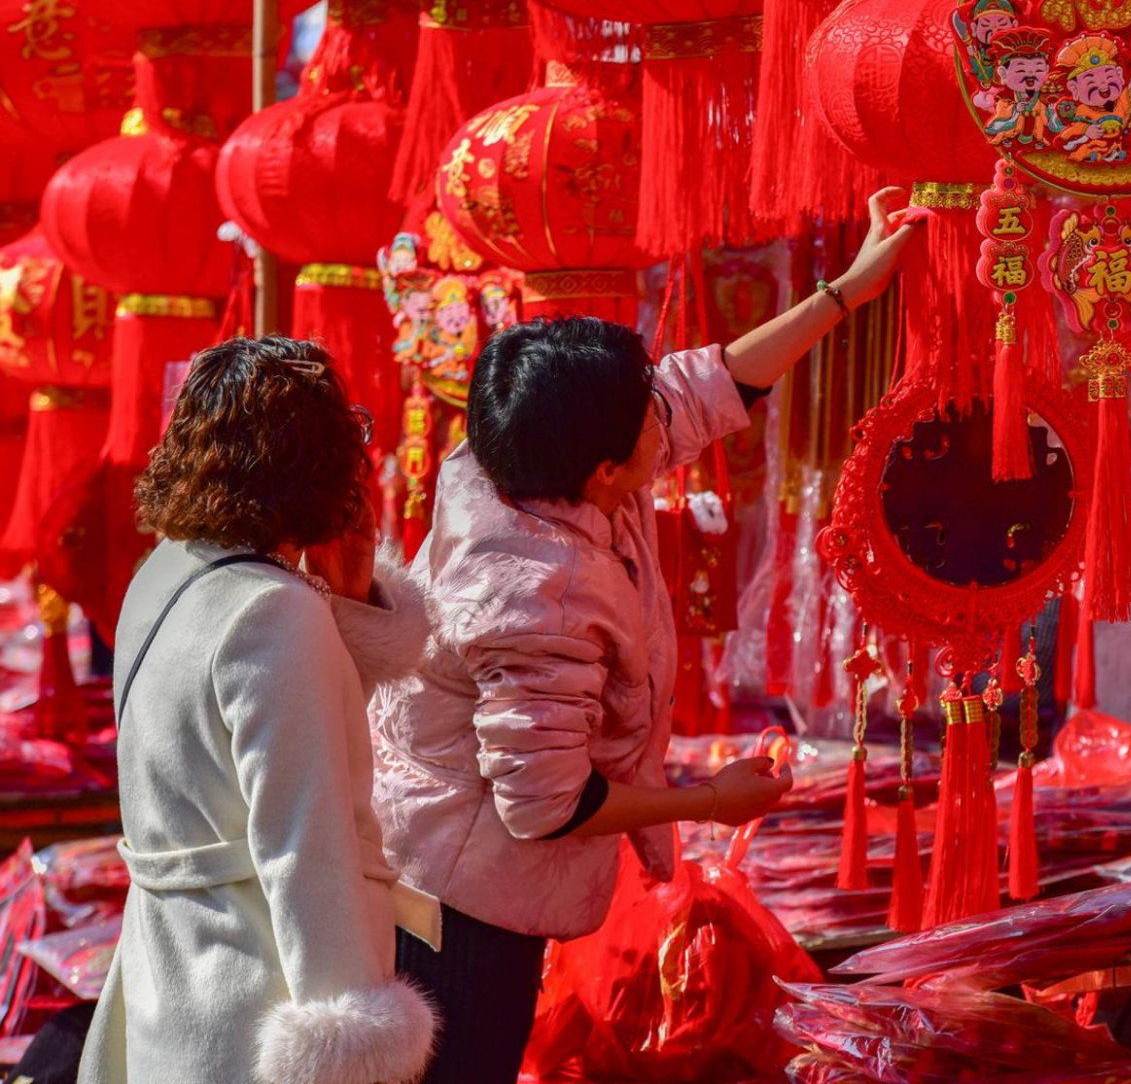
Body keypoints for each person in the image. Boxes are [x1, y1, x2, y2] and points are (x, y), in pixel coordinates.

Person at [372, 189, 920, 1084]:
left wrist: (848, 290)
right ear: (606, 469)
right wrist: (710, 801)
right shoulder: (529, 597)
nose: (662, 428)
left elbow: (710, 388)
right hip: (456, 901)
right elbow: (546, 805)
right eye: (643, 429)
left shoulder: (518, 453)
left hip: (455, 862)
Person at [80, 337, 438, 1084]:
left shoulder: (166, 571)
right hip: (254, 992)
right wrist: (349, 1033)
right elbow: (306, 842)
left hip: (170, 973)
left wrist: (346, 601)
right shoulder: (275, 612)